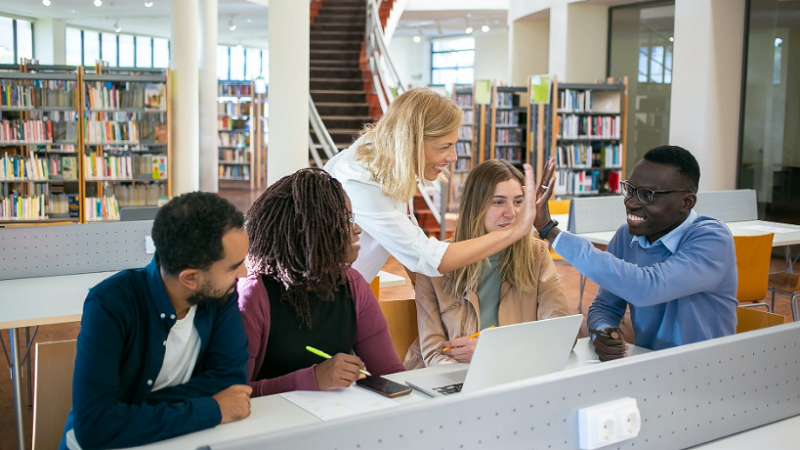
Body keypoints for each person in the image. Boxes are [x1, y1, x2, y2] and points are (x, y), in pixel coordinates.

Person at [61, 193, 252, 450]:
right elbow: (95, 427)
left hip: (183, 440)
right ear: (190, 278)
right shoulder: (109, 305)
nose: (245, 274)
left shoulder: (220, 294)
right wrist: (212, 408)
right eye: (234, 266)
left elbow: (232, 382)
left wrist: (131, 410)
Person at [535, 146, 738, 361]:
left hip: (707, 373)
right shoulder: (626, 237)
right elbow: (604, 306)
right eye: (630, 190)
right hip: (648, 367)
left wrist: (551, 230)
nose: (630, 202)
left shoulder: (712, 239)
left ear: (686, 202)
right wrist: (603, 332)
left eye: (646, 195)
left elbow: (645, 287)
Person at [324, 88, 545, 282]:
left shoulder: (387, 155)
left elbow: (408, 234)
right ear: (410, 144)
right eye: (444, 147)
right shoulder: (361, 183)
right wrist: (514, 232)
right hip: (322, 298)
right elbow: (425, 257)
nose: (453, 157)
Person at [238, 168, 405, 397]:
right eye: (345, 220)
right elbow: (235, 395)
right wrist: (312, 379)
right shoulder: (254, 296)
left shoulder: (353, 285)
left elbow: (390, 373)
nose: (357, 230)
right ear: (311, 231)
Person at [405, 160, 572, 369]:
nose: (511, 213)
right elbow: (433, 353)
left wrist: (491, 352)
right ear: (476, 206)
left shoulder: (536, 254)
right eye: (499, 202)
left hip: (513, 373)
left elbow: (560, 333)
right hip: (453, 379)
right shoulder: (434, 262)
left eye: (518, 202)